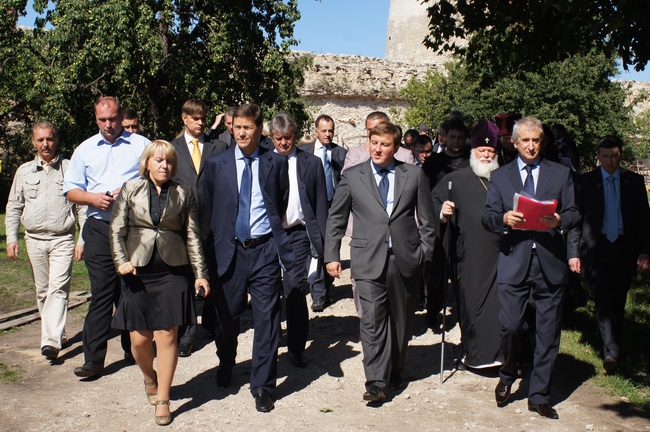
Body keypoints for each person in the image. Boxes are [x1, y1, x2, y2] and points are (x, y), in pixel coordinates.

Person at [325, 121, 435, 404]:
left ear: (396, 148)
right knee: (371, 321)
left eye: (384, 145)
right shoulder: (353, 176)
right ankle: (375, 381)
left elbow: (427, 220)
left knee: (400, 321)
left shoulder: (413, 175)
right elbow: (336, 218)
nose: (377, 149)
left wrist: (424, 254)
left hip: (405, 259)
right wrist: (332, 255)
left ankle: (395, 369)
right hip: (366, 258)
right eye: (374, 143)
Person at [482, 117, 579, 420]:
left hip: (550, 260)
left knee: (548, 334)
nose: (531, 146)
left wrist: (560, 220)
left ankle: (539, 395)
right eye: (525, 140)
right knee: (511, 326)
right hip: (515, 259)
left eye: (536, 140)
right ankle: (508, 373)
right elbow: (488, 217)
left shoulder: (560, 173)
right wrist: (503, 219)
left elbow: (575, 212)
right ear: (514, 142)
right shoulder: (500, 176)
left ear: (542, 142)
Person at [202, 103, 294, 412]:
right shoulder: (216, 164)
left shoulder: (275, 163)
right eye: (237, 127)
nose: (241, 133)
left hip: (264, 250)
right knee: (226, 319)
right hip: (229, 252)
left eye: (247, 127)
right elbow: (209, 209)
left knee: (267, 319)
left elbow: (279, 202)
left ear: (259, 129)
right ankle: (226, 361)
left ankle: (263, 385)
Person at [110, 140, 209, 426]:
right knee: (139, 340)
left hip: (173, 272)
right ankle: (149, 377)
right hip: (137, 273)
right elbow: (116, 230)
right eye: (159, 160)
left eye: (169, 161)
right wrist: (121, 261)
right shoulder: (130, 189)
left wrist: (201, 273)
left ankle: (163, 398)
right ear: (147, 163)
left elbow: (193, 236)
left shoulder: (184, 193)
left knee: (167, 335)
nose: (164, 165)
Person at [64, 96, 151, 378]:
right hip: (99, 227)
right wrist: (93, 198)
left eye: (112, 119)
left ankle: (133, 347)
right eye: (102, 120)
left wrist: (129, 191)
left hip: (133, 227)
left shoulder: (140, 145)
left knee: (131, 289)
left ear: (120, 116)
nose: (108, 124)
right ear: (96, 119)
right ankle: (93, 359)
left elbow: (157, 178)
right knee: (102, 291)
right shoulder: (85, 150)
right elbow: (70, 190)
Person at [567, 136, 650, 373]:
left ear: (620, 154)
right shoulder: (585, 182)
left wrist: (645, 251)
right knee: (603, 298)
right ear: (598, 157)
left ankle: (613, 342)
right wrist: (573, 252)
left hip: (624, 247)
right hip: (597, 247)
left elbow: (644, 219)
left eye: (614, 156)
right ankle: (611, 352)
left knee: (618, 299)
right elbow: (576, 221)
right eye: (605, 156)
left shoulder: (633, 181)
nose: (610, 161)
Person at [5, 121, 86, 361]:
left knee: (58, 289)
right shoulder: (24, 171)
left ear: (56, 140)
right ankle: (57, 333)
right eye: (40, 140)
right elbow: (14, 206)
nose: (45, 144)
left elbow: (82, 208)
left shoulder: (69, 169)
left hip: (62, 239)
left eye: (49, 139)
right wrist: (12, 237)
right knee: (42, 291)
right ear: (34, 142)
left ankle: (50, 341)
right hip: (34, 239)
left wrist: (82, 240)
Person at [432, 119, 502, 370]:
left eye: (490, 151)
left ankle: (503, 355)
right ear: (473, 151)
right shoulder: (455, 179)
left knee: (501, 307)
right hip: (470, 257)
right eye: (482, 150)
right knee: (472, 305)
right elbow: (432, 205)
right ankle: (474, 355)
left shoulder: (504, 179)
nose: (486, 155)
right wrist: (442, 212)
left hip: (502, 256)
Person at [269, 112, 329, 368]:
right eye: (279, 138)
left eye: (288, 137)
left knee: (294, 288)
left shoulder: (311, 163)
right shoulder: (263, 161)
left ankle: (296, 346)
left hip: (298, 235)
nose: (284, 143)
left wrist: (324, 244)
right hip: (269, 236)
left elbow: (320, 204)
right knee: (268, 291)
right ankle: (271, 343)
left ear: (295, 135)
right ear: (272, 138)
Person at [170, 99, 228, 357]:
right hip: (181, 225)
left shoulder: (219, 147)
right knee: (186, 280)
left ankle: (213, 322)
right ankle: (186, 335)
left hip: (213, 223)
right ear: (184, 118)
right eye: (195, 118)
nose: (200, 122)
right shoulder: (172, 149)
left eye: (203, 118)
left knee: (214, 274)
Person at [298, 114, 347, 311]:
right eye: (324, 131)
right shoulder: (303, 153)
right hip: (312, 206)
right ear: (316, 131)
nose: (327, 134)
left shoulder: (341, 154)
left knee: (331, 246)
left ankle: (327, 285)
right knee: (314, 248)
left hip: (334, 207)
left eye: (330, 131)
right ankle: (317, 293)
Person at [343, 112, 416, 170]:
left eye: (379, 128)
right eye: (370, 130)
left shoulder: (405, 155)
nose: (375, 132)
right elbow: (349, 177)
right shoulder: (354, 154)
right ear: (366, 129)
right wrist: (367, 151)